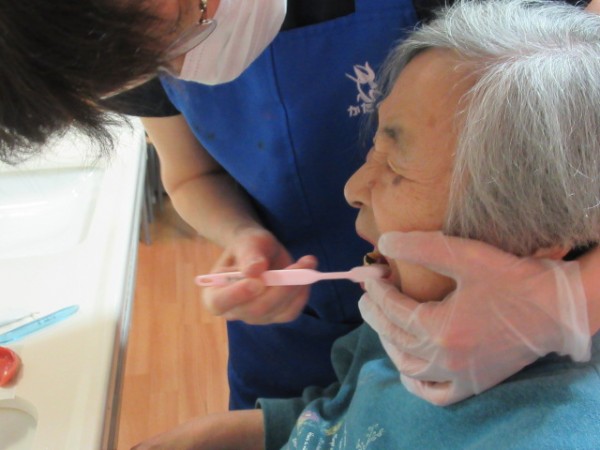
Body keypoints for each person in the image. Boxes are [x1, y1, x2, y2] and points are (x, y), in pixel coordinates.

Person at [1, 0, 600, 409]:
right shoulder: (107, 34)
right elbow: (190, 174)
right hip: (294, 336)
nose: (182, 68)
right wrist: (241, 234)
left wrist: (569, 302)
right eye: (150, 63)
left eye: (190, 18)